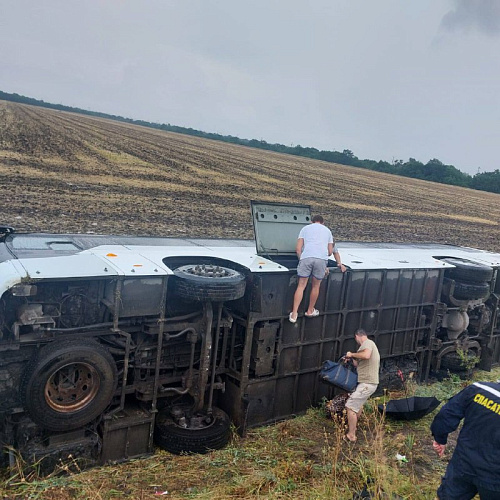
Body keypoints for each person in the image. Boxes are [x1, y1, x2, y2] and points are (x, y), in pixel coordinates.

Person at [430, 380, 500, 499]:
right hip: (494, 477)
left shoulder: (478, 389)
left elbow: (446, 414)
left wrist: (440, 439)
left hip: (462, 465)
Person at [289, 215, 346, 323]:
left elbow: (298, 249)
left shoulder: (305, 229)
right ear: (323, 223)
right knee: (316, 286)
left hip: (306, 258)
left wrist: (302, 260)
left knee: (301, 285)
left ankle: (294, 314)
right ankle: (310, 310)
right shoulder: (327, 231)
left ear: (312, 221)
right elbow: (330, 252)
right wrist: (337, 264)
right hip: (321, 259)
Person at [344, 329, 380, 442]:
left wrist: (351, 354)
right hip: (367, 382)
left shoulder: (368, 343)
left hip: (367, 383)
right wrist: (351, 359)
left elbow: (366, 355)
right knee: (357, 406)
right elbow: (358, 364)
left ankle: (351, 435)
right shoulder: (366, 346)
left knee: (350, 406)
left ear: (357, 336)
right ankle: (353, 427)